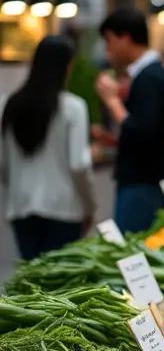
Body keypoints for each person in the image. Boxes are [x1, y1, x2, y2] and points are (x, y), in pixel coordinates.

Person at [0, 36, 97, 258]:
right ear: (67, 65)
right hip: (64, 208)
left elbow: (2, 161)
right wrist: (89, 207)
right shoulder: (73, 107)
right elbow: (79, 164)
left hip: (20, 205)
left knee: (32, 279)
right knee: (58, 285)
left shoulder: (8, 104)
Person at [95, 9, 164, 233]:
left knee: (133, 252)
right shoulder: (152, 73)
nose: (107, 49)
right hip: (148, 183)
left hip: (143, 185)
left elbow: (142, 132)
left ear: (125, 38)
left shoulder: (149, 77)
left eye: (109, 41)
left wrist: (112, 101)